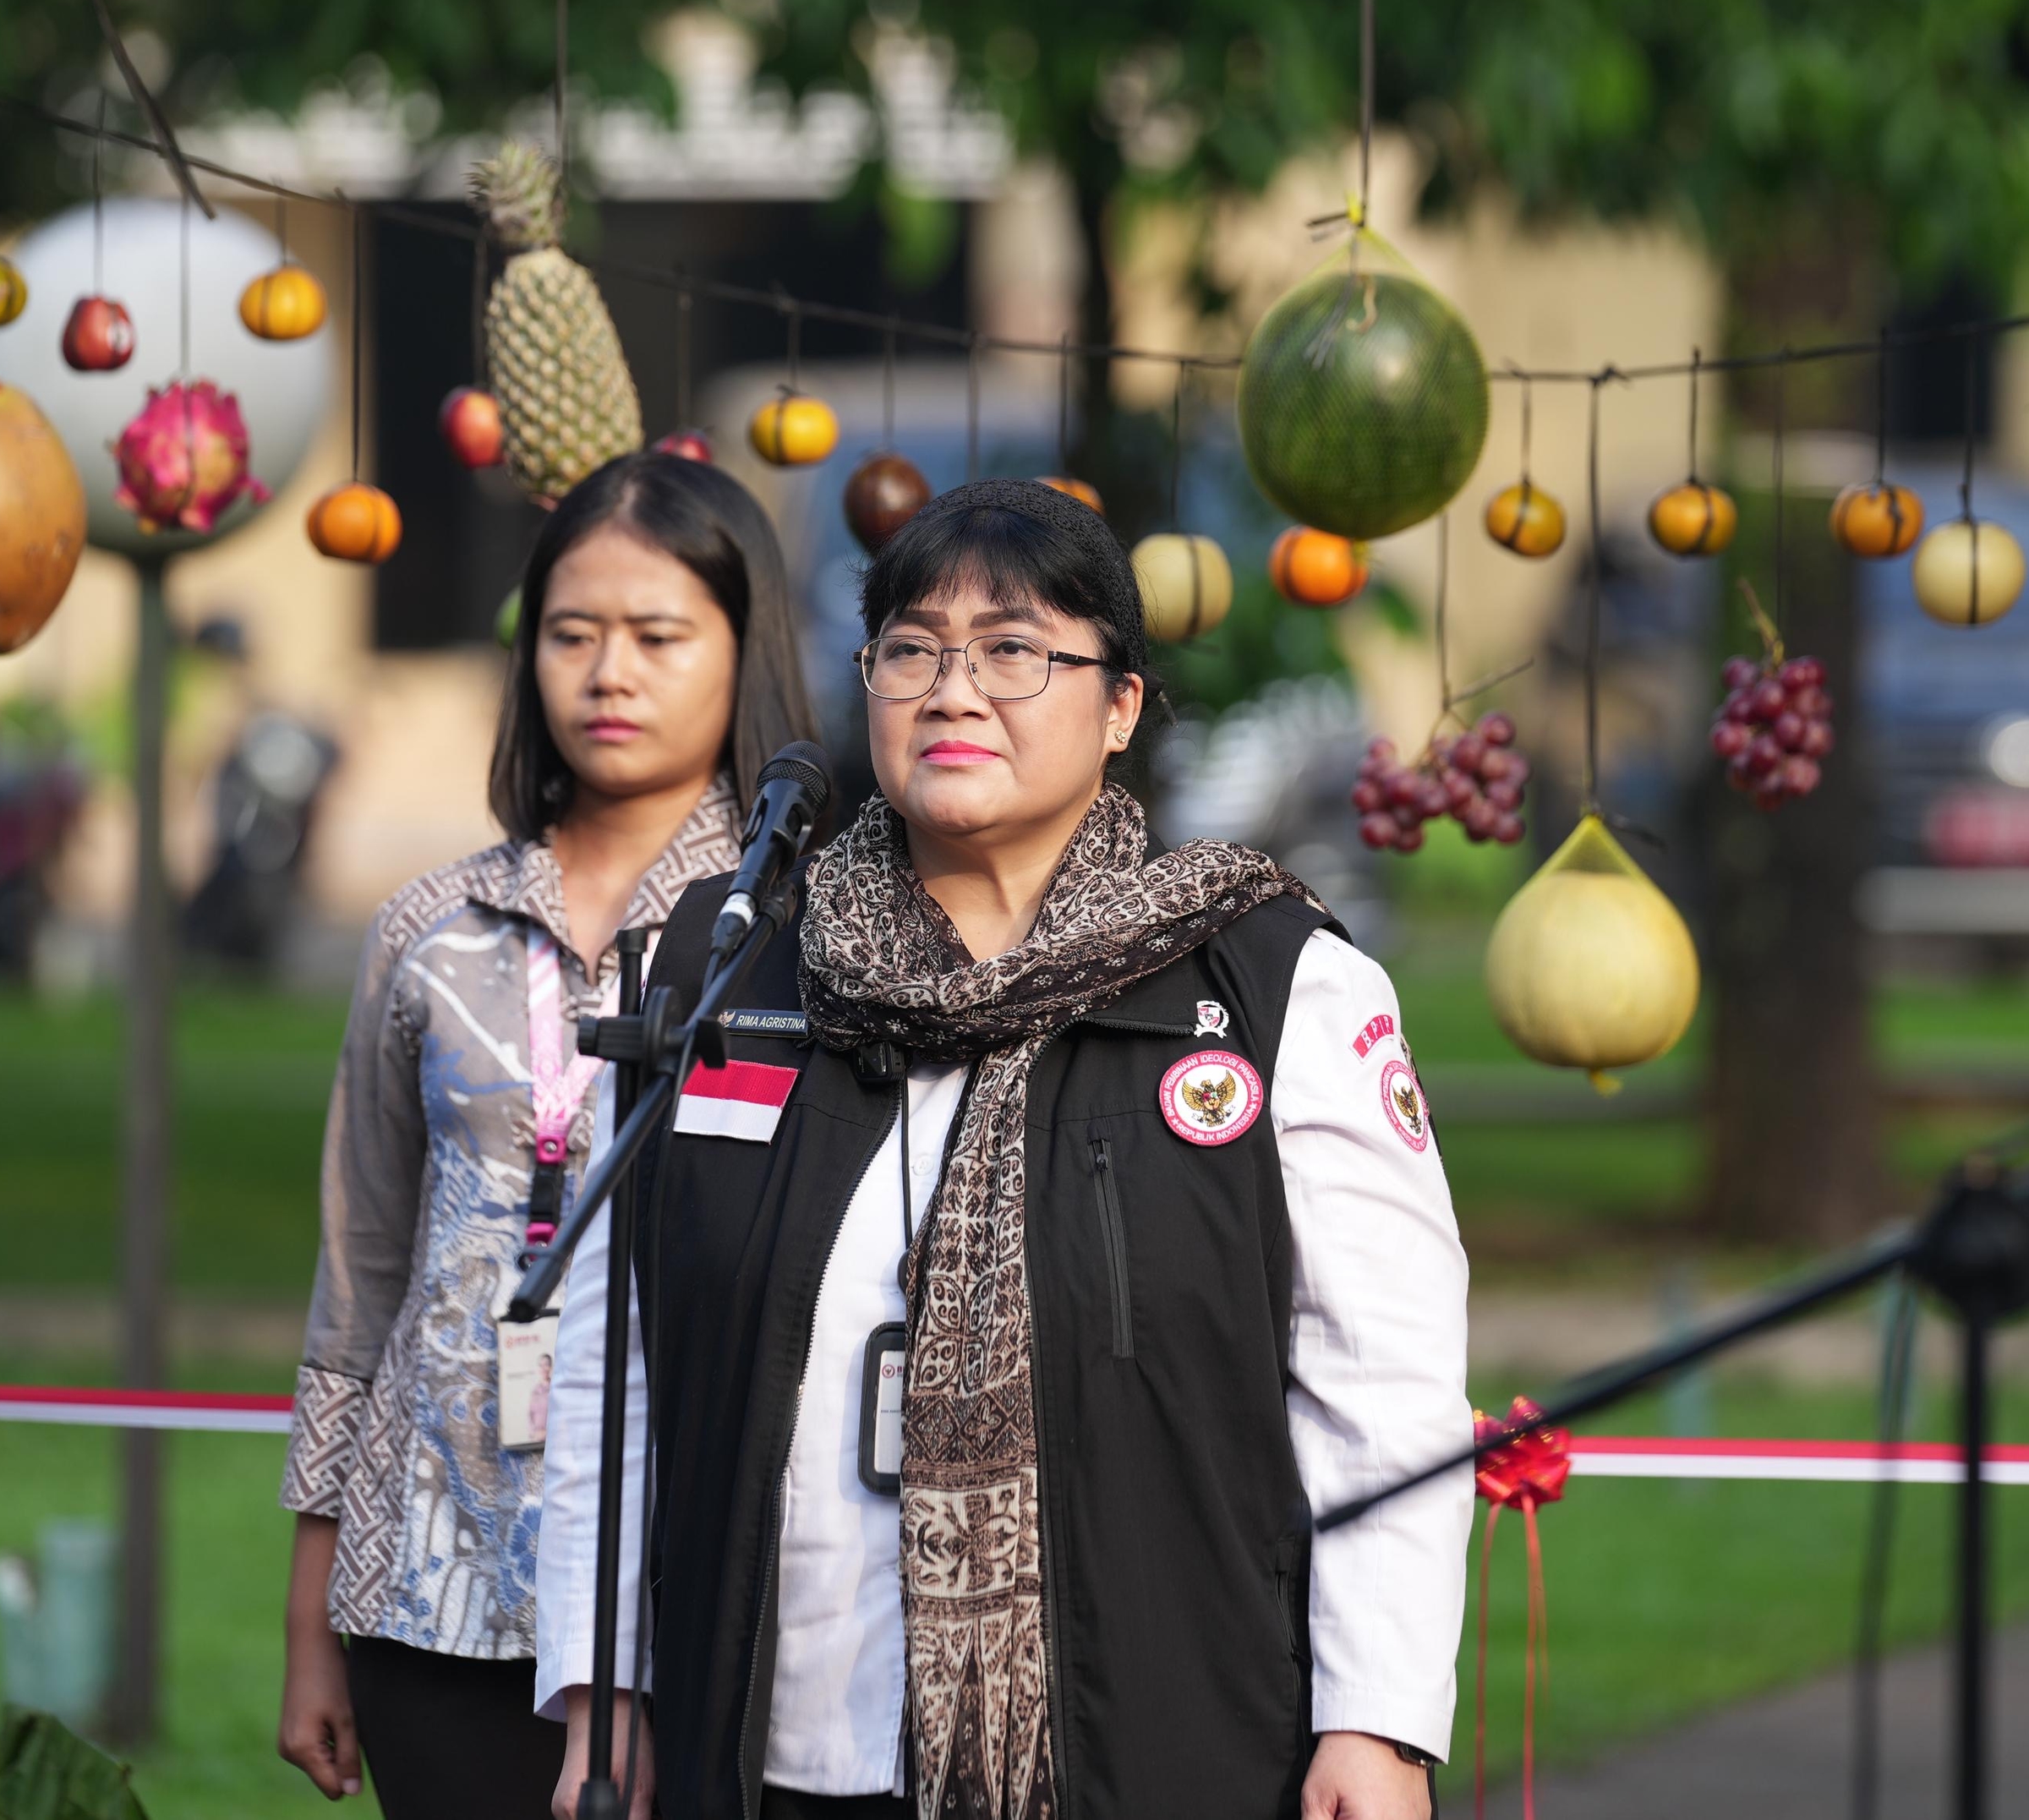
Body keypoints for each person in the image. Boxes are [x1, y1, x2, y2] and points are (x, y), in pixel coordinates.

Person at [540, 478, 1473, 1820]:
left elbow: (1380, 1390)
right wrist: (600, 1690)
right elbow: (612, 1359)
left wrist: (1377, 1725)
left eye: (1016, 651)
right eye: (912, 649)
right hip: (772, 1743)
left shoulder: (1276, 990)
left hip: (1153, 1744)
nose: (954, 691)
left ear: (1121, 708)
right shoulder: (737, 963)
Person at [280, 451, 817, 1817]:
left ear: (744, 653)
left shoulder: (798, 949)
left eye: (657, 636)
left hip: (678, 1588)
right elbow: (358, 1289)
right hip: (426, 1585)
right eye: (571, 636)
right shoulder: (430, 929)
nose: (607, 674)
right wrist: (312, 1620)